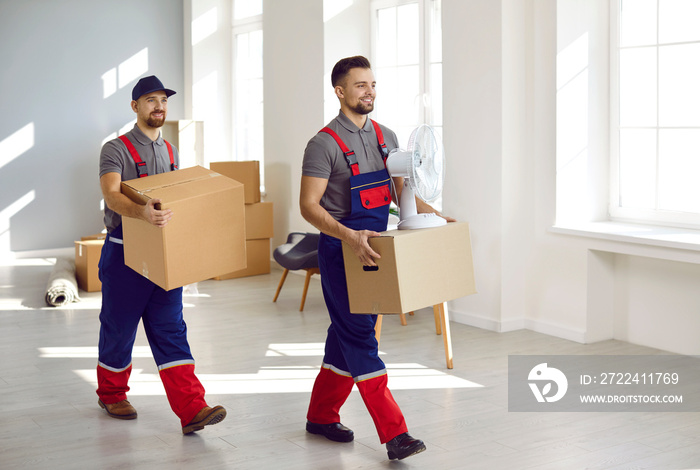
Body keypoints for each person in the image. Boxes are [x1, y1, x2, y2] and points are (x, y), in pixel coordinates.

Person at [300, 56, 453, 461]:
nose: (369, 91)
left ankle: (320, 416)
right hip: (341, 249)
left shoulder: (387, 136)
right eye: (360, 85)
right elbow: (308, 206)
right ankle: (395, 433)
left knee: (346, 334)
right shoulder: (323, 144)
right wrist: (349, 236)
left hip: (378, 246)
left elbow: (401, 191)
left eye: (372, 84)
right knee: (360, 338)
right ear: (340, 91)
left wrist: (435, 216)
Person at [96, 75, 226, 434]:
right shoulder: (115, 148)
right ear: (135, 106)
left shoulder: (171, 152)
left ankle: (192, 409)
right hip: (124, 256)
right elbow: (111, 195)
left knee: (171, 328)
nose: (159, 106)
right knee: (119, 328)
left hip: (165, 257)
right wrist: (140, 212)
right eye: (150, 100)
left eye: (163, 101)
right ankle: (110, 393)